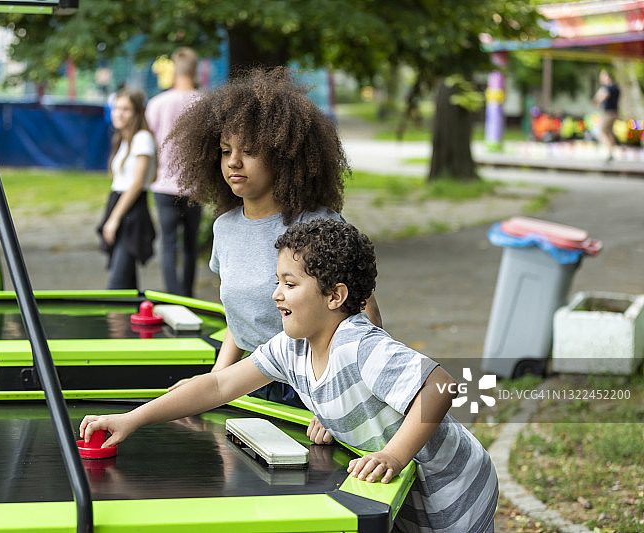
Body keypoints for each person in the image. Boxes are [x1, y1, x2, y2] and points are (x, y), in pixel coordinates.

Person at [81, 218, 498, 532]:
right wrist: (132, 418)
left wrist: (392, 453)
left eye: (290, 283)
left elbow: (439, 385)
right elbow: (219, 384)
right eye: (277, 281)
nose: (276, 293)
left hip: (455, 487)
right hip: (407, 490)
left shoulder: (358, 343)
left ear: (335, 296)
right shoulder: (291, 347)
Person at [165, 67, 382, 408]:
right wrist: (215, 379)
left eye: (249, 151)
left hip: (314, 385)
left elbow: (364, 314)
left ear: (283, 155)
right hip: (250, 381)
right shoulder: (224, 227)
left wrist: (342, 397)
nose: (233, 162)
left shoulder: (319, 225)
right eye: (225, 151)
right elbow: (241, 320)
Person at [145, 47, 203, 297]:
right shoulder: (204, 103)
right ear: (195, 70)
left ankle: (171, 297)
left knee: (168, 244)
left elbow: (148, 143)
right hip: (195, 186)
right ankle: (188, 297)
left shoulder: (157, 103)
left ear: (174, 71)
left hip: (164, 185)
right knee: (190, 245)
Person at [97, 87, 156, 289]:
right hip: (121, 205)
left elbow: (137, 183)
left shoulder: (142, 139)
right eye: (116, 108)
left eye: (125, 109)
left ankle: (117, 320)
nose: (118, 113)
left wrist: (114, 219)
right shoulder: (124, 139)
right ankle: (131, 320)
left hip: (132, 212)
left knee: (116, 285)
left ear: (137, 113)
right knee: (126, 283)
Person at [593, 69, 620, 162]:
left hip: (608, 113)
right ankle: (612, 152)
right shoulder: (616, 87)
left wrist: (598, 98)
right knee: (609, 133)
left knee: (602, 133)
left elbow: (599, 98)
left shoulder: (607, 88)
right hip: (615, 112)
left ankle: (609, 152)